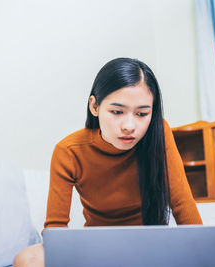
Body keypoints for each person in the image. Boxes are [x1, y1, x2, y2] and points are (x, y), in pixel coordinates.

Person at [13, 57, 202, 267]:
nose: (129, 126)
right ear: (94, 106)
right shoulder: (68, 151)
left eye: (142, 114)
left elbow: (182, 204)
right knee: (27, 259)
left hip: (151, 247)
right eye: (117, 112)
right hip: (98, 250)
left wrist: (205, 250)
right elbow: (56, 228)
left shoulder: (159, 134)